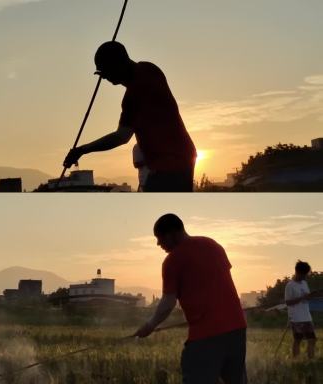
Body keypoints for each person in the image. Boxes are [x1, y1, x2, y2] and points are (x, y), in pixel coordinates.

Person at [63, 41, 196, 192]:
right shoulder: (150, 69)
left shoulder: (133, 95)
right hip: (183, 157)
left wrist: (82, 150)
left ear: (118, 64)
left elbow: (121, 137)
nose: (104, 77)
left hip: (169, 165)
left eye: (105, 71)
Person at [134, 214, 247, 384]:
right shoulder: (213, 245)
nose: (158, 244)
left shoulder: (173, 260)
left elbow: (168, 301)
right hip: (237, 329)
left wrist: (150, 325)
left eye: (160, 238)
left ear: (173, 233)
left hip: (206, 334)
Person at [284, 261, 316, 359]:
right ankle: (296, 360)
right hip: (296, 318)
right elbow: (288, 302)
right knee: (298, 340)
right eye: (305, 274)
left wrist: (310, 296)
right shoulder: (290, 285)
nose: (306, 276)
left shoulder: (304, 283)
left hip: (307, 316)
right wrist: (302, 298)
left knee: (312, 339)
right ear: (299, 272)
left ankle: (310, 359)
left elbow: (307, 297)